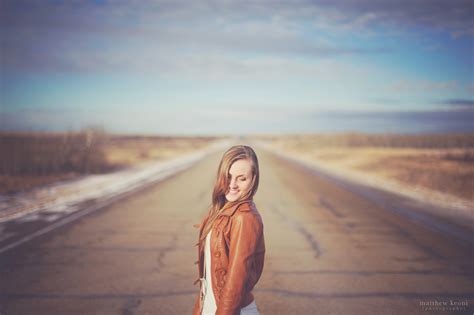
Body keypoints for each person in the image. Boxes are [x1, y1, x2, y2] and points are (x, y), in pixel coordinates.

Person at [192, 145, 265, 315]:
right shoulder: (221, 210)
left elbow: (236, 280)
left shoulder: (245, 217)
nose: (232, 184)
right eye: (228, 176)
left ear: (253, 179)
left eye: (241, 178)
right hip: (211, 306)